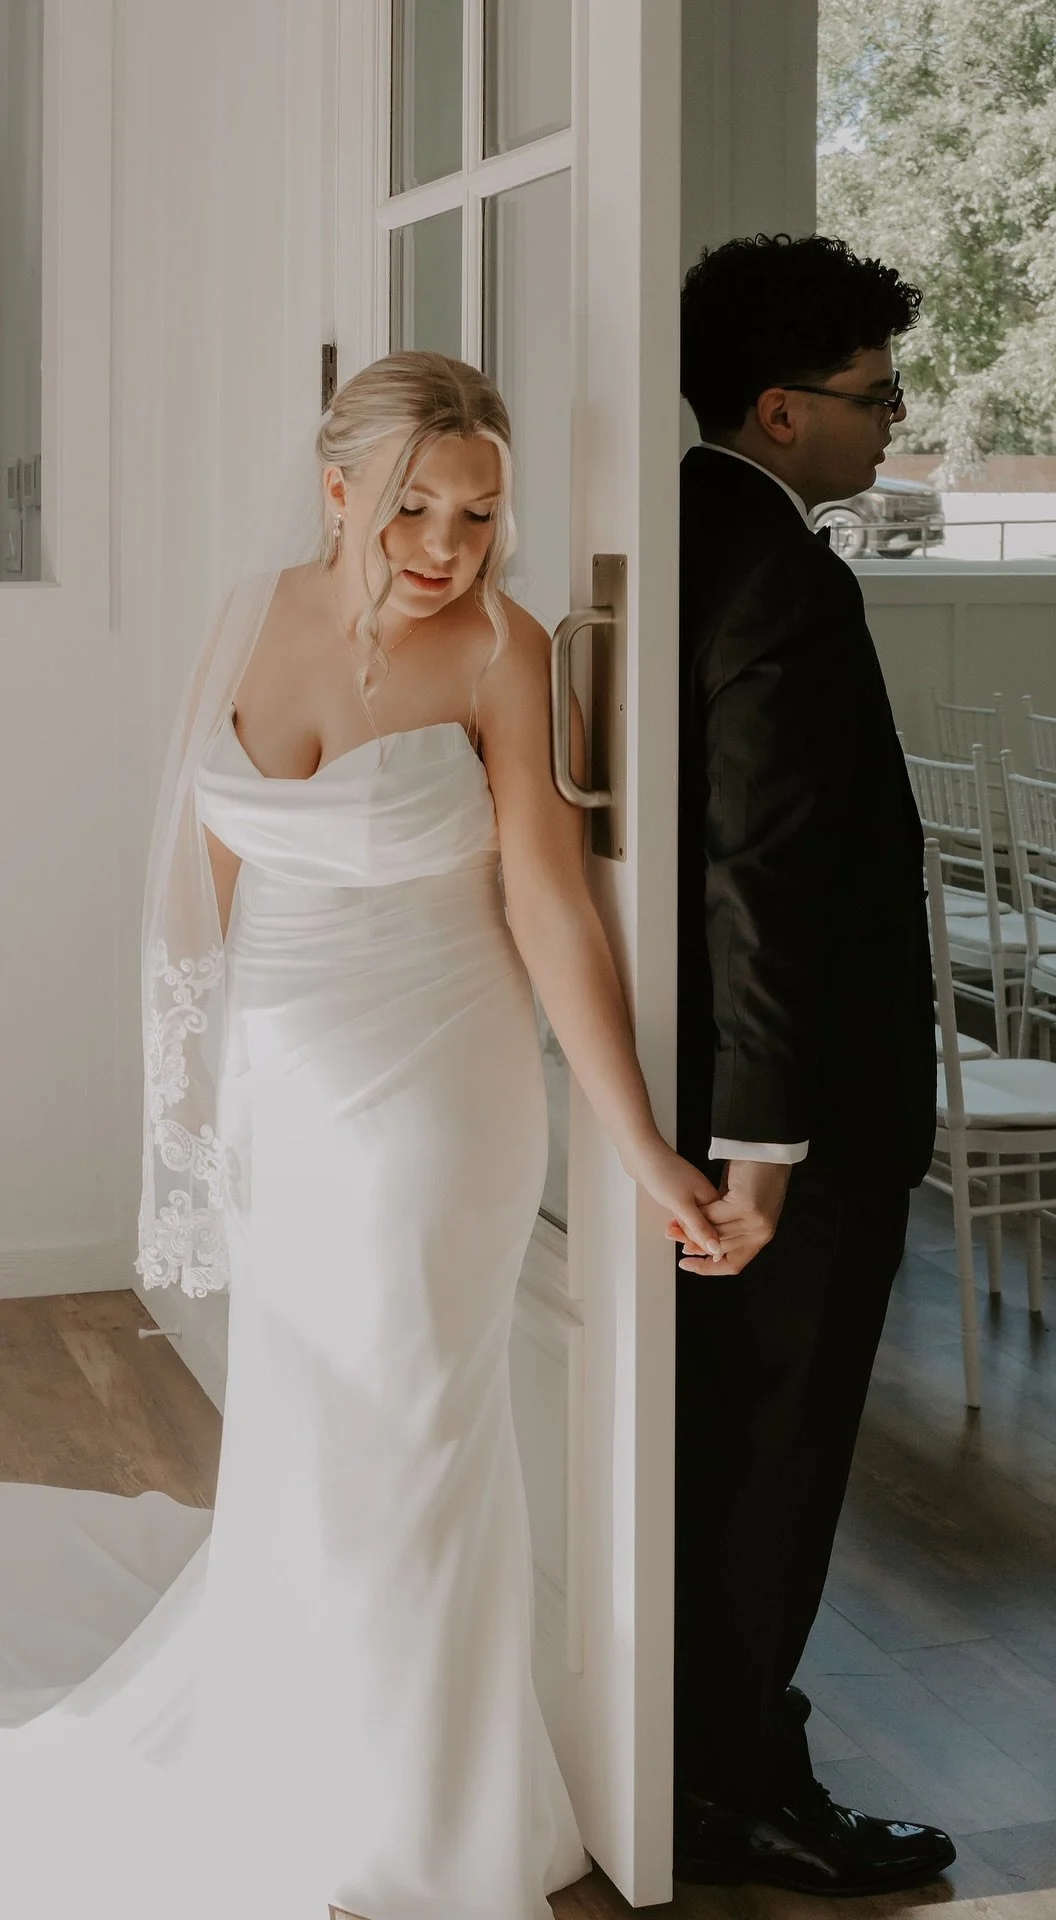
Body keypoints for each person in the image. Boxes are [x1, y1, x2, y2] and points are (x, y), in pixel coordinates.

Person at [0, 352, 728, 1920]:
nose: (448, 546)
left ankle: (422, 1821)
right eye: (414, 509)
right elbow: (206, 871)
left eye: (477, 513)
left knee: (414, 1430)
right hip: (282, 1088)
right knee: (308, 1426)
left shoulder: (503, 651)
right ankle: (300, 1755)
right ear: (338, 492)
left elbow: (553, 906)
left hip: (436, 1089)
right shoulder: (247, 615)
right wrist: (202, 1098)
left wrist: (642, 1144)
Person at [671, 234, 957, 1896]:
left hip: (713, 1085)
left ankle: (707, 1752)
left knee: (728, 1450)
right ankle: (736, 1791)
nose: (893, 418)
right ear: (780, 410)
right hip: (797, 1121)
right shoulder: (781, 572)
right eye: (875, 393)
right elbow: (764, 871)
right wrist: (766, 1141)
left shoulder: (678, 528)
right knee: (777, 1460)